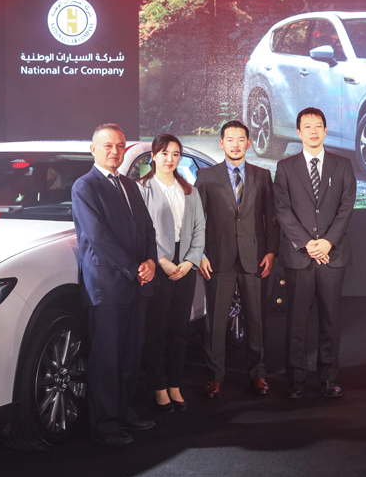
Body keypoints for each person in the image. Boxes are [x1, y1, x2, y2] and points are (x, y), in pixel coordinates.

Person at [71, 124, 157, 446]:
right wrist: (135, 268)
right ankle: (105, 425)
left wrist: (150, 261)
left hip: (136, 282)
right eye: (107, 146)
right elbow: (98, 237)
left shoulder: (130, 185)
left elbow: (147, 229)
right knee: (107, 358)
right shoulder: (85, 186)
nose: (115, 152)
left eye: (119, 146)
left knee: (130, 355)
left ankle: (124, 412)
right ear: (93, 150)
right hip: (107, 286)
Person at [273, 107, 356, 399]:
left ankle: (328, 378)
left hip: (332, 257)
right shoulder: (285, 167)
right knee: (296, 322)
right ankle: (295, 380)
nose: (312, 130)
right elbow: (282, 210)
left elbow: (346, 208)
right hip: (299, 257)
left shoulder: (342, 165)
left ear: (324, 130)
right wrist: (308, 244)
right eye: (306, 126)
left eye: (318, 125)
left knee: (330, 320)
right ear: (298, 132)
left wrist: (327, 243)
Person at [195, 120, 279, 398]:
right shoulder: (206, 177)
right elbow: (197, 220)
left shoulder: (262, 175)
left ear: (248, 143)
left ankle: (258, 374)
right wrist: (201, 254)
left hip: (254, 258)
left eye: (240, 139)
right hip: (217, 259)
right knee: (216, 322)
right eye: (229, 139)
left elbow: (271, 217)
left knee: (257, 320)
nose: (235, 143)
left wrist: (270, 251)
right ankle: (215, 376)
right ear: (221, 143)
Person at [137, 134, 205, 413]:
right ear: (153, 156)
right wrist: (161, 260)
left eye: (175, 154)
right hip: (158, 265)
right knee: (156, 330)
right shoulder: (143, 189)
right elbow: (141, 232)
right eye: (164, 153)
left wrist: (190, 262)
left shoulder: (190, 190)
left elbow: (200, 229)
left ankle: (175, 384)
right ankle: (159, 387)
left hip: (185, 265)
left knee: (179, 330)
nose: (170, 159)